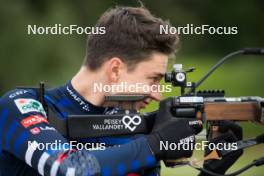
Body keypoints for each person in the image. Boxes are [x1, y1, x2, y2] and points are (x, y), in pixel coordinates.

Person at [0, 5, 242, 176]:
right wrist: (155, 144)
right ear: (115, 69)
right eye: (153, 79)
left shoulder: (135, 133)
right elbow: (70, 169)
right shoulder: (22, 106)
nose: (158, 94)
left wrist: (211, 170)